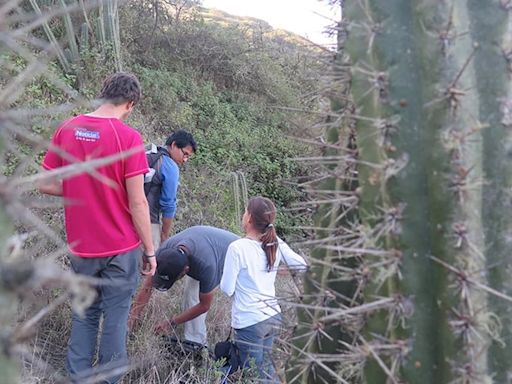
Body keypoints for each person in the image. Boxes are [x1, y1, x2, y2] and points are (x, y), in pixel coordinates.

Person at [39, 72, 156, 384]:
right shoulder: (129, 138)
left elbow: (46, 184)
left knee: (84, 316)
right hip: (121, 249)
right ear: (130, 104)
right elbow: (138, 203)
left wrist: (81, 189)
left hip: (81, 247)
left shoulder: (67, 128)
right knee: (115, 321)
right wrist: (150, 250)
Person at [220, 197, 307, 383]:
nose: (243, 215)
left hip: (250, 320)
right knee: (267, 370)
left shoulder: (237, 248)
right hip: (272, 316)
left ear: (249, 218)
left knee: (253, 375)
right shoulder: (275, 242)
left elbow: (227, 288)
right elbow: (301, 265)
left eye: (245, 211)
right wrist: (280, 270)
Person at [131, 225, 239, 345]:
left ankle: (200, 345)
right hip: (203, 245)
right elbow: (147, 287)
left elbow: (204, 305)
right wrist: (132, 319)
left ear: (185, 271)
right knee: (190, 295)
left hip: (234, 255)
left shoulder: (206, 266)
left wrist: (171, 323)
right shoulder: (164, 253)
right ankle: (194, 342)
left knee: (238, 303)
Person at [146, 130, 196, 246]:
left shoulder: (148, 153)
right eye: (185, 154)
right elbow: (168, 205)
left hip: (124, 217)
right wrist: (164, 235)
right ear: (173, 145)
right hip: (149, 223)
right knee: (149, 262)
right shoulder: (170, 167)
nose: (185, 160)